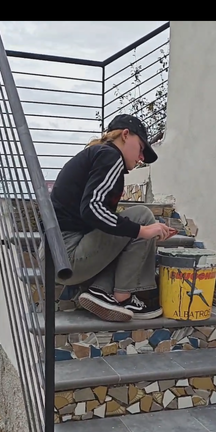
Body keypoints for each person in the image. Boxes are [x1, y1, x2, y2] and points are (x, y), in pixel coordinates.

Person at [49, 114, 176, 323]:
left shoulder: (97, 155)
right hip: (67, 257)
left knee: (129, 226)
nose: (141, 158)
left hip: (59, 256)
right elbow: (92, 209)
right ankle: (123, 296)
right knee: (142, 216)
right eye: (141, 148)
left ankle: (101, 290)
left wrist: (146, 231)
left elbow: (99, 219)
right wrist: (143, 231)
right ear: (125, 135)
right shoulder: (110, 156)